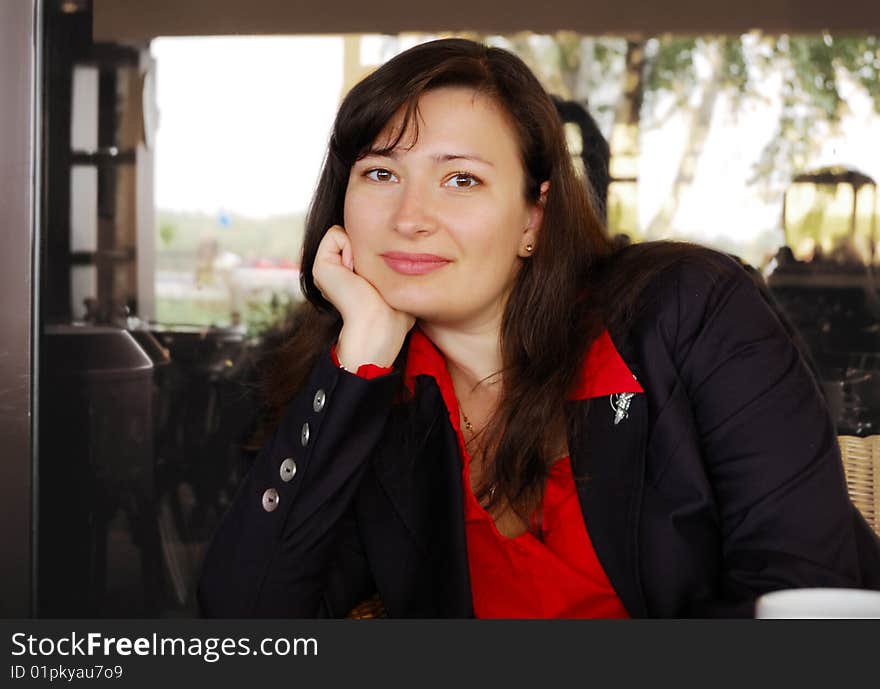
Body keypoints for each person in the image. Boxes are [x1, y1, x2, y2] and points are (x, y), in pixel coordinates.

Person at [197, 38, 880, 619]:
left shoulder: (692, 312)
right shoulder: (381, 403)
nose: (410, 216)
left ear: (533, 217)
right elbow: (243, 623)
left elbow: (806, 608)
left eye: (460, 180)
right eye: (380, 172)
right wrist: (361, 357)